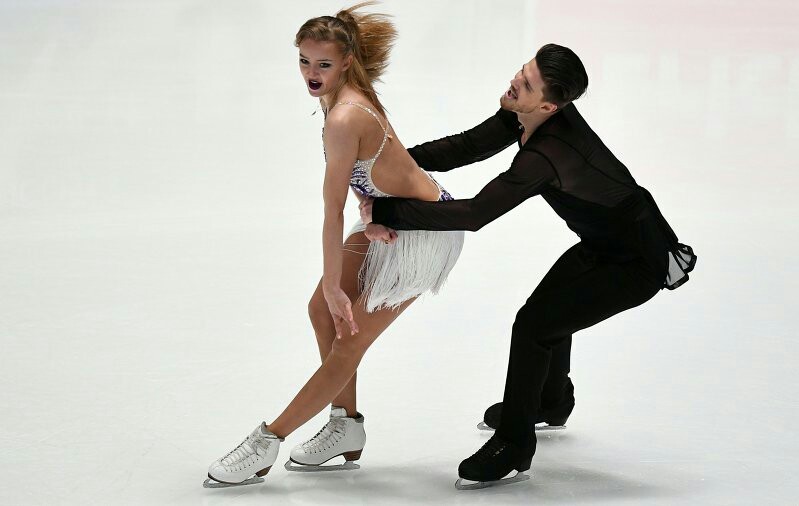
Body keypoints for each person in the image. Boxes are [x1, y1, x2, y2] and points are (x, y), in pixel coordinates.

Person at [359, 43, 697, 489]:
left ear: (548, 104)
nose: (515, 81)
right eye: (523, 70)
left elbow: (475, 214)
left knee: (535, 325)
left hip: (636, 263)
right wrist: (392, 165)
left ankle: (514, 445)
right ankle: (550, 402)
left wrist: (388, 214)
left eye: (528, 82)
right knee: (547, 317)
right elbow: (469, 146)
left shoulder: (546, 155)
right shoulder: (526, 112)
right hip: (605, 244)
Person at [203, 2, 465, 488]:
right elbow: (371, 179)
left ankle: (266, 440)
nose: (311, 73)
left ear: (346, 62)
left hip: (427, 231)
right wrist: (372, 214)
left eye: (322, 64)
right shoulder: (337, 98)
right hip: (394, 218)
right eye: (304, 60)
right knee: (321, 311)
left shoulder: (346, 114)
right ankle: (346, 425)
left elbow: (331, 210)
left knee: (347, 335)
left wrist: (335, 280)